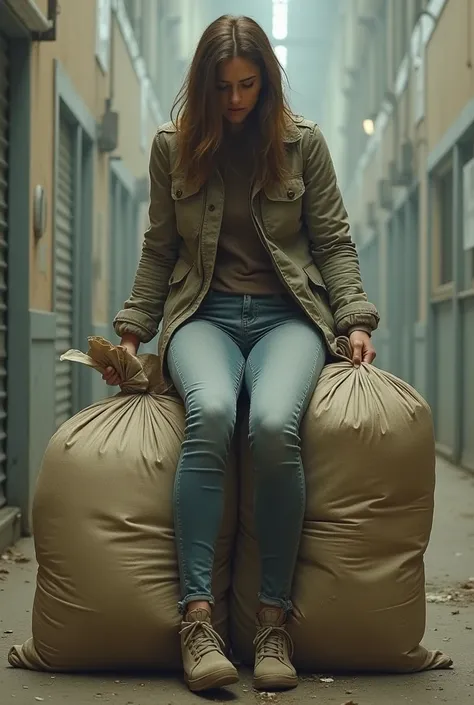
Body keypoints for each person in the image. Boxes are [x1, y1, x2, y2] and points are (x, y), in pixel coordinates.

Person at [104, 14, 379, 694]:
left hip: (289, 318)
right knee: (214, 411)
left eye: (248, 84)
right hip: (205, 315)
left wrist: (353, 319)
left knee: (273, 426)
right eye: (222, 86)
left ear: (267, 79)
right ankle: (197, 621)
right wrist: (134, 330)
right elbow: (159, 248)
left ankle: (272, 622)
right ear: (203, 84)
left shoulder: (302, 143)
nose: (235, 100)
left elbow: (335, 242)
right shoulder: (175, 147)